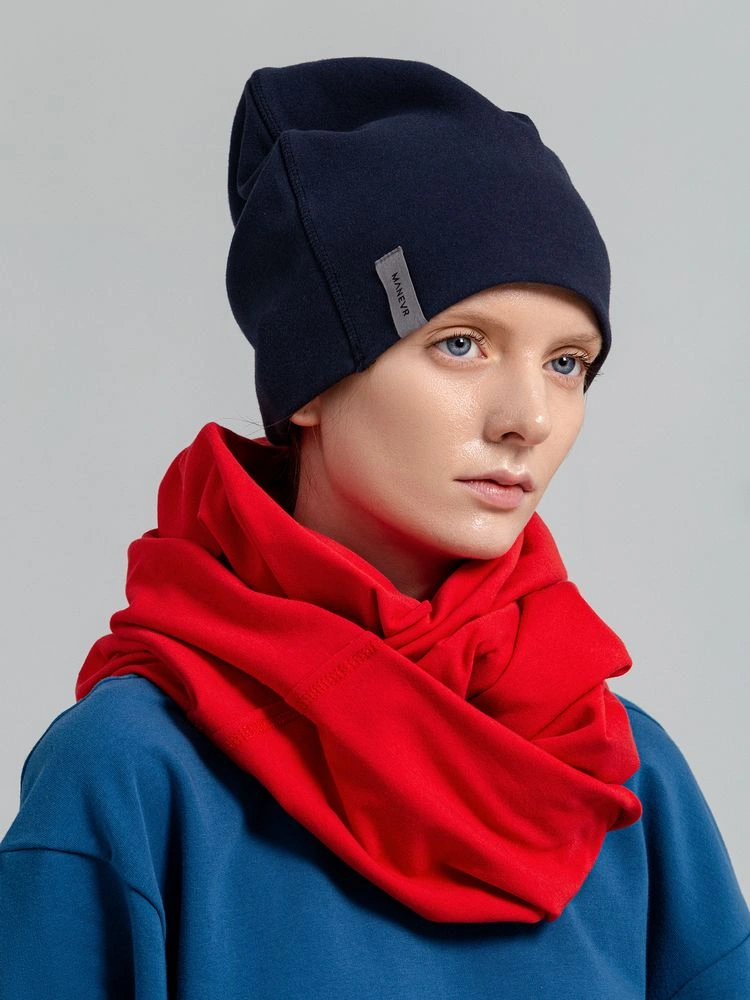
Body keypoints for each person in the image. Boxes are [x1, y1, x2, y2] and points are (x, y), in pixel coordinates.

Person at [1, 55, 748, 999]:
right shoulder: (132, 777)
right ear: (311, 381)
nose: (528, 417)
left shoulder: (625, 779)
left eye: (568, 363)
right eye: (461, 344)